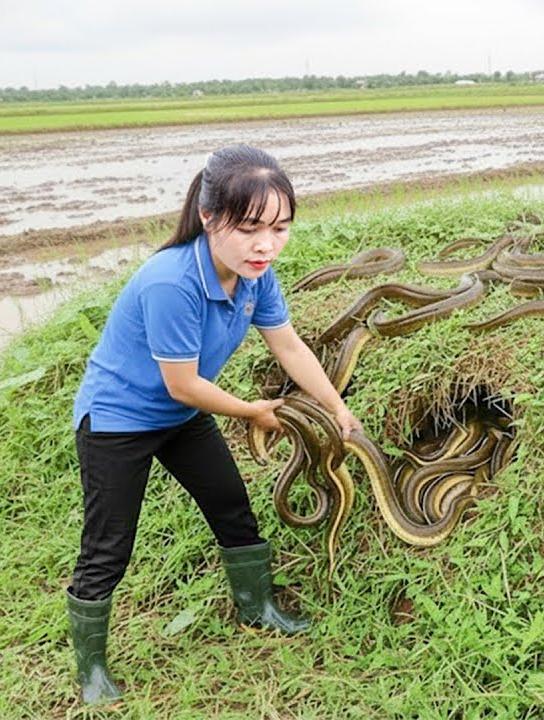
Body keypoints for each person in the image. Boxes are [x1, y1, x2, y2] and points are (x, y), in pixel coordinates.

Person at [66, 144, 361, 706]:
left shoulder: (256, 276)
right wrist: (253, 411)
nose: (266, 245)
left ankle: (258, 606)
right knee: (108, 546)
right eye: (250, 228)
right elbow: (183, 383)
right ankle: (92, 668)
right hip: (118, 420)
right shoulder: (171, 282)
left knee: (232, 507)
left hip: (180, 417)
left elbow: (289, 346)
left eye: (280, 228)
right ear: (207, 218)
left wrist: (337, 406)